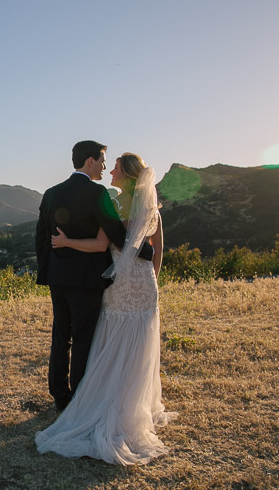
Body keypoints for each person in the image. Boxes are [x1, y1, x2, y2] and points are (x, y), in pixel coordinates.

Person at [35, 152, 177, 465]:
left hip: (120, 284)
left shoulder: (114, 204)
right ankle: (134, 406)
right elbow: (158, 253)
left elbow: (101, 246)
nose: (109, 169)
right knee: (139, 346)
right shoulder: (153, 207)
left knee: (112, 342)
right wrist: (149, 283)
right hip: (145, 286)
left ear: (125, 174)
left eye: (114, 166)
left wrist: (67, 242)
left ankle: (103, 402)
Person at [35, 141, 153, 412]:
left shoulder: (51, 193)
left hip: (57, 277)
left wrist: (47, 269)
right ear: (89, 161)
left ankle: (58, 395)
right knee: (84, 337)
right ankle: (79, 396)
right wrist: (146, 251)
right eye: (101, 160)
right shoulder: (97, 192)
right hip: (86, 278)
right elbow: (116, 232)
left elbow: (41, 237)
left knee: (61, 334)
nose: (103, 166)